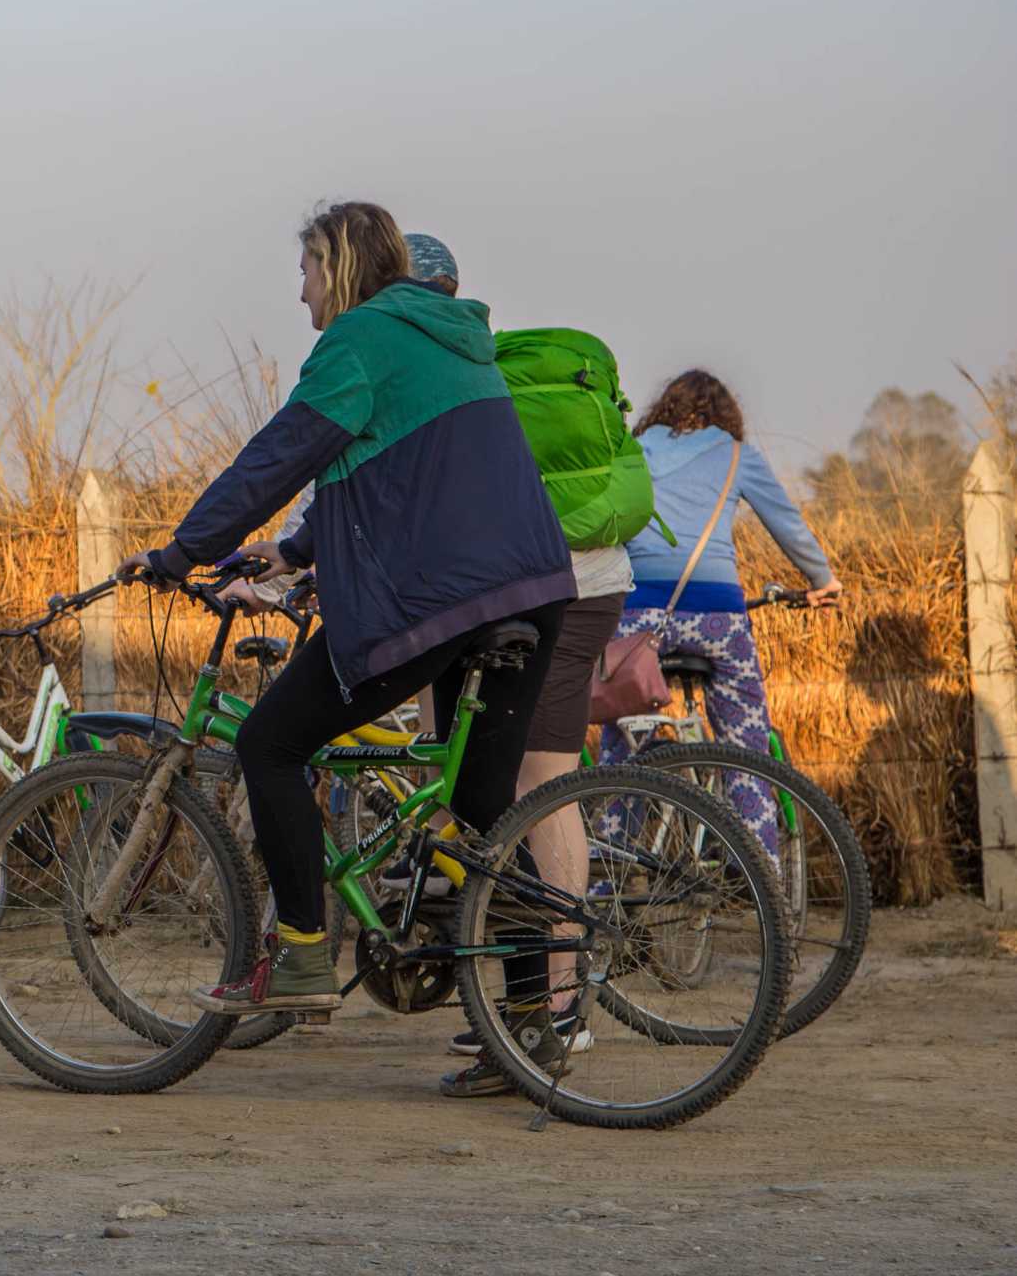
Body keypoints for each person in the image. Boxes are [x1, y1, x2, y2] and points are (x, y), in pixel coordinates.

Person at [121, 202, 573, 1051]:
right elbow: (409, 474)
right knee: (481, 816)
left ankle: (297, 955)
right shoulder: (446, 336)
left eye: (305, 273)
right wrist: (293, 550)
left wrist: (185, 550)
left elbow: (278, 455)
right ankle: (526, 1029)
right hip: (535, 586)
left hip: (436, 596)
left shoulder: (358, 339)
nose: (300, 296)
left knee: (269, 744)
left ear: (336, 266)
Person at [396, 236, 668, 1097]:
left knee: (539, 780)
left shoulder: (451, 376)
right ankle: (529, 1003)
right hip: (575, 578)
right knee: (485, 776)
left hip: (558, 588)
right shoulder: (488, 364)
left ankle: (554, 1009)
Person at [597, 371, 841, 849]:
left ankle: (610, 875)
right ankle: (758, 866)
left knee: (622, 742)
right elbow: (786, 523)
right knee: (746, 742)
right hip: (717, 618)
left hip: (643, 614)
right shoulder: (736, 455)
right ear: (724, 414)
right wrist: (822, 581)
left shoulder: (634, 451)